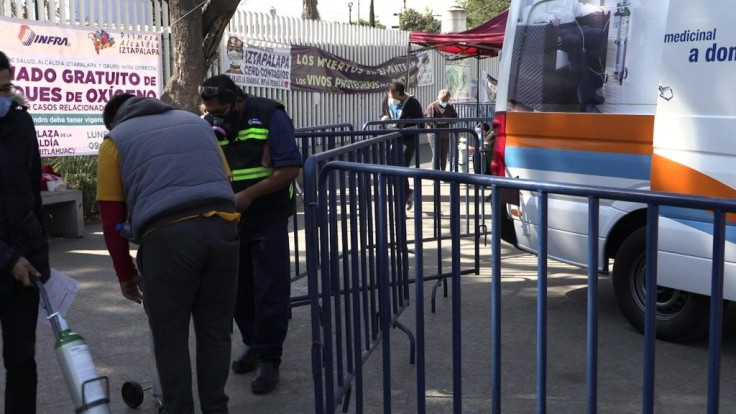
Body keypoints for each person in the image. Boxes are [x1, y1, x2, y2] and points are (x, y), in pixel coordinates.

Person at [97, 93, 240, 413]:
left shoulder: (115, 140)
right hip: (223, 230)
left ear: (114, 120)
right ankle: (217, 408)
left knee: (170, 337)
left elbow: (110, 220)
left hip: (169, 240)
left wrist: (125, 274)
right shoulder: (198, 124)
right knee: (216, 332)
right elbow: (227, 180)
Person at [200, 75, 302, 395]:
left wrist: (249, 195)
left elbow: (289, 169)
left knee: (269, 291)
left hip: (268, 216)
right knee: (238, 291)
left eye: (223, 110)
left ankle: (270, 358)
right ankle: (253, 345)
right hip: (229, 219)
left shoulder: (271, 115)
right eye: (211, 110)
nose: (217, 116)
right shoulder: (208, 124)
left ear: (238, 101)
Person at [0, 50, 50, 414]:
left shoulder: (21, 123)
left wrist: (37, 254)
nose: (4, 99)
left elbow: (32, 194)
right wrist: (7, 258)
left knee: (21, 359)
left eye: (6, 88)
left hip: (24, 261)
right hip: (7, 258)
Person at [523, 0, 609, 112]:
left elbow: (579, 8)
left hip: (573, 27)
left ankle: (591, 89)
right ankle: (585, 100)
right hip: (555, 30)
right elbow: (529, 12)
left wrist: (596, 9)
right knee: (575, 41)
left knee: (597, 35)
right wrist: (548, 17)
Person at [380, 81, 423, 209]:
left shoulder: (413, 103)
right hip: (391, 139)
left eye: (393, 96)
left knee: (401, 168)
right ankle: (406, 192)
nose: (391, 99)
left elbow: (421, 124)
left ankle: (402, 200)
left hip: (406, 141)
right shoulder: (387, 99)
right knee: (390, 170)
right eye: (389, 96)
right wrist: (384, 121)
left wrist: (405, 128)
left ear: (400, 94)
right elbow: (383, 114)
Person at [424, 89, 458, 171]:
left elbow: (455, 118)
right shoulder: (432, 106)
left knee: (444, 155)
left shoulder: (449, 107)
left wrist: (450, 120)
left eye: (447, 100)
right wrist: (439, 122)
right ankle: (435, 174)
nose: (445, 102)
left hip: (445, 134)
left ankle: (443, 173)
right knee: (436, 154)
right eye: (443, 100)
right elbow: (427, 120)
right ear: (439, 98)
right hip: (434, 134)